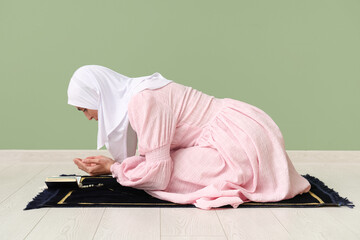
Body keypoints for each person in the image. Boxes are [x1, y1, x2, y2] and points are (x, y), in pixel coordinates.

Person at [67, 65, 310, 209]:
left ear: (96, 96)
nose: (88, 117)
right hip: (243, 129)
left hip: (238, 142)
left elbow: (158, 175)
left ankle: (244, 172)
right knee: (161, 163)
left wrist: (115, 169)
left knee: (168, 174)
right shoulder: (139, 92)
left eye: (84, 109)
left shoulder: (142, 100)